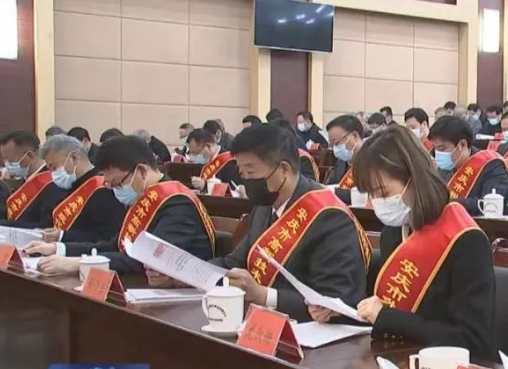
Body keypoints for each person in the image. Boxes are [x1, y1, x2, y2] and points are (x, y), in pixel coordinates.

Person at [150, 124, 369, 323]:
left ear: (284, 170)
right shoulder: (266, 205)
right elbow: (234, 262)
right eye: (242, 172)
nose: (246, 180)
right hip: (258, 322)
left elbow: (336, 301)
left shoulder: (329, 216)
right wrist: (180, 275)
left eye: (251, 171)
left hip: (312, 335)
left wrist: (265, 295)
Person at [316, 125, 498, 359]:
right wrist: (338, 311)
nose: (377, 202)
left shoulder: (466, 241)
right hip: (400, 357)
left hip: (450, 367)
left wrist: (386, 318)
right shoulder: (394, 231)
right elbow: (387, 307)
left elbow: (472, 339)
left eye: (383, 193)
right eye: (371, 194)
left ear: (413, 178)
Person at [25, 136, 215, 275]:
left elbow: (149, 258)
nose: (114, 190)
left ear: (141, 171)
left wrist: (78, 263)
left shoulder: (177, 204)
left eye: (117, 184)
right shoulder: (142, 196)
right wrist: (59, 249)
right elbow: (115, 245)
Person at [36, 135, 125, 243]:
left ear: (74, 157)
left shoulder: (104, 188)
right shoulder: (68, 186)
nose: (52, 174)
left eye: (54, 167)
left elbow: (106, 237)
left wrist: (63, 236)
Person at [428, 116, 508, 216]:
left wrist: (446, 203)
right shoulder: (444, 167)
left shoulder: (492, 165)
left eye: (442, 149)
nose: (438, 154)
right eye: (435, 148)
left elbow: (489, 205)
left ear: (462, 144)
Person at [0, 130, 68, 229]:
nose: (7, 165)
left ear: (29, 155)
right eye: (4, 160)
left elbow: (46, 226)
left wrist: (5, 224)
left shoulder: (54, 183)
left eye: (10, 160)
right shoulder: (24, 180)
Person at [326, 115, 365, 205]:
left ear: (355, 136)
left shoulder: (374, 161)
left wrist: (334, 192)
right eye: (332, 146)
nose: (335, 149)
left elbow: (367, 196)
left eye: (337, 143)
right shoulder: (341, 161)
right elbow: (333, 183)